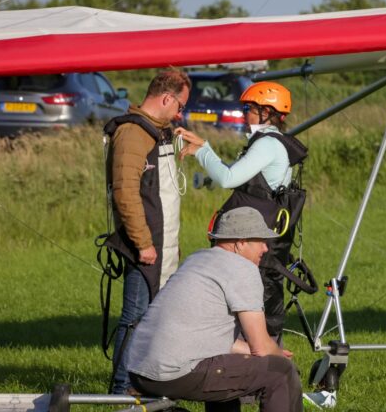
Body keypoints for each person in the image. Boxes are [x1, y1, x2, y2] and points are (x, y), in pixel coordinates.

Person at [126, 206, 303, 412]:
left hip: (139, 370)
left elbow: (206, 335)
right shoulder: (242, 268)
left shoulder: (198, 260)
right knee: (281, 373)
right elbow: (261, 347)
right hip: (171, 373)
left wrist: (248, 351)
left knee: (230, 368)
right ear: (241, 242)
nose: (265, 248)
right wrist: (279, 356)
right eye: (260, 241)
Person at [175, 81, 307, 343]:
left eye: (249, 108)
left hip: (257, 238)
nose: (245, 113)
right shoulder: (267, 142)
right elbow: (241, 177)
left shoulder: (267, 145)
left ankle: (262, 364)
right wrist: (206, 165)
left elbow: (229, 178)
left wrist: (203, 150)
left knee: (252, 299)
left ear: (266, 112)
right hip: (264, 233)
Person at [103, 67, 191, 394]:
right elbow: (125, 191)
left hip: (161, 244)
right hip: (145, 247)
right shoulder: (133, 133)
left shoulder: (157, 130)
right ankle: (122, 391)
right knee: (135, 318)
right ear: (166, 98)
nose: (180, 113)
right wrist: (143, 243)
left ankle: (147, 385)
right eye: (179, 105)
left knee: (155, 319)